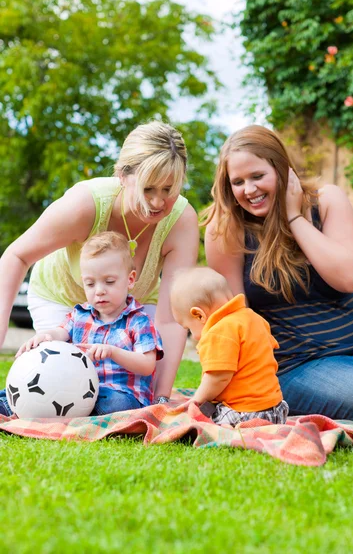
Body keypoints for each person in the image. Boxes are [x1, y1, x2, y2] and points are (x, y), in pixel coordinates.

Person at [203, 124, 353, 422]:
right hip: (296, 366)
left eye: (258, 176)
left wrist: (294, 216)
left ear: (282, 169)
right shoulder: (226, 230)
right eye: (238, 182)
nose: (249, 190)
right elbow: (233, 318)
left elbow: (348, 278)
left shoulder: (326, 201)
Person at [0, 120, 199, 403]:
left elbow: (170, 318)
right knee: (65, 383)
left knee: (127, 389)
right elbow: (16, 256)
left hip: (135, 306)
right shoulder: (86, 204)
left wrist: (161, 397)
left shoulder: (181, 221)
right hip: (64, 300)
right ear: (122, 175)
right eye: (148, 189)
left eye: (168, 189)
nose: (157, 202)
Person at [0, 232, 163, 416]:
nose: (99, 291)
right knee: (39, 386)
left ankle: (74, 411)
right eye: (90, 284)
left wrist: (113, 352)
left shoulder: (139, 321)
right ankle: (7, 403)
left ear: (130, 280)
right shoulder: (80, 315)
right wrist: (46, 336)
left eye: (109, 282)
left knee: (115, 405)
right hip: (77, 389)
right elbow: (60, 333)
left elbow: (147, 365)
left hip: (121, 393)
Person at [170, 266, 288, 426]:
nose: (193, 335)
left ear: (199, 315)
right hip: (275, 410)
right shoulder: (253, 318)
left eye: (188, 328)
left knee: (203, 413)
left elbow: (218, 377)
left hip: (245, 413)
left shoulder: (218, 331)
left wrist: (196, 400)